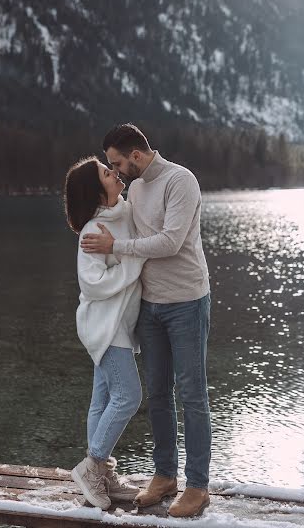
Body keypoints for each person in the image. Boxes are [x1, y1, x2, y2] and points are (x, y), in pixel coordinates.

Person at [81, 124, 211, 518]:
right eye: (111, 167)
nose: (116, 171)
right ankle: (165, 475)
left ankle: (199, 486)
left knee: (192, 393)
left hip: (186, 302)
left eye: (118, 163)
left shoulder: (180, 180)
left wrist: (114, 246)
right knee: (157, 394)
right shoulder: (135, 189)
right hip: (150, 308)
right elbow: (111, 219)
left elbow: (170, 242)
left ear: (136, 155)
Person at [64, 155, 145, 510]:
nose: (116, 174)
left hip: (120, 324)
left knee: (102, 400)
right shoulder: (93, 231)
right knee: (129, 395)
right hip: (104, 326)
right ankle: (93, 465)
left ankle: (101, 475)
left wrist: (128, 253)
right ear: (97, 191)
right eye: (107, 173)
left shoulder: (123, 212)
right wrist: (132, 261)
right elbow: (93, 284)